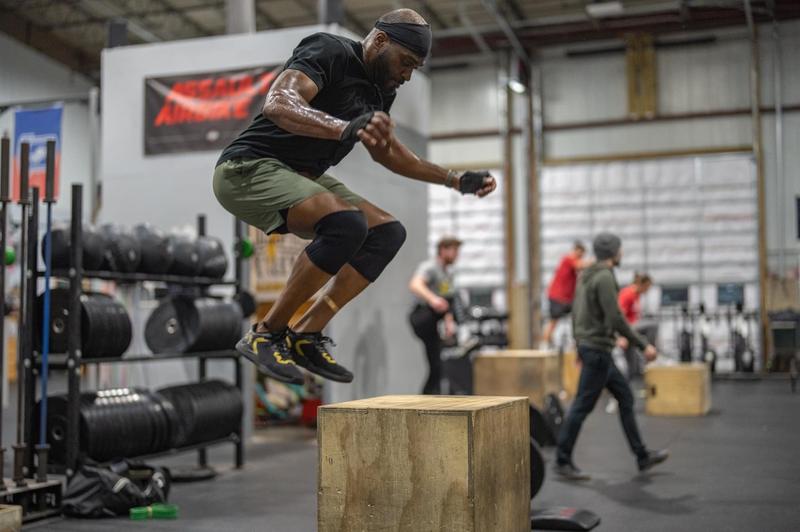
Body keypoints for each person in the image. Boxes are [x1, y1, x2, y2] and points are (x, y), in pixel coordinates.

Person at [212, 9, 497, 385]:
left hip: (301, 175)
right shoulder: (328, 50)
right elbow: (279, 103)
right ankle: (266, 333)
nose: (408, 75)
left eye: (415, 68)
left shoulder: (383, 92)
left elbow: (389, 152)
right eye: (406, 62)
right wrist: (344, 127)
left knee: (387, 233)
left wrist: (455, 180)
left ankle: (305, 335)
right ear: (379, 40)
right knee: (346, 224)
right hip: (247, 168)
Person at [555, 233, 668, 480]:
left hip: (594, 348)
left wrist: (578, 343)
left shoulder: (586, 275)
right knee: (582, 406)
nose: (622, 254)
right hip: (597, 351)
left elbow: (577, 313)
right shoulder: (605, 277)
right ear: (614, 253)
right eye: (620, 250)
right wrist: (643, 345)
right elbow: (615, 317)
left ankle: (642, 456)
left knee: (625, 398)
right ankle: (562, 459)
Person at [408, 236, 461, 394]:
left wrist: (449, 323)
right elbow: (415, 284)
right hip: (422, 317)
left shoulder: (447, 274)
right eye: (455, 250)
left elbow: (447, 302)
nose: (457, 255)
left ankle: (429, 396)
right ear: (443, 250)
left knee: (436, 365)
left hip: (434, 322)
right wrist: (433, 299)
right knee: (436, 363)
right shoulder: (430, 267)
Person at [542, 241, 590, 347]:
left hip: (566, 299)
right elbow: (579, 265)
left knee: (578, 315)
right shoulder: (568, 259)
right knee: (553, 321)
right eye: (580, 255)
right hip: (558, 297)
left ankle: (575, 341)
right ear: (576, 251)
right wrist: (594, 262)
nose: (581, 258)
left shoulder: (572, 261)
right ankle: (544, 344)